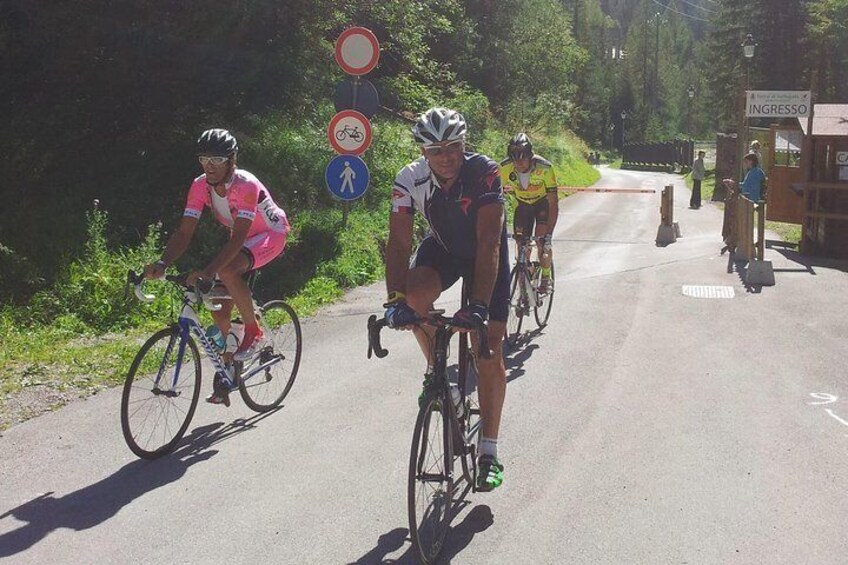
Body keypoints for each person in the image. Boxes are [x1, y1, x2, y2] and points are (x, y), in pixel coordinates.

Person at [384, 107, 509, 491]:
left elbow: (488, 241)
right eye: (436, 150)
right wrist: (394, 300)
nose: (446, 157)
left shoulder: (484, 171)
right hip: (442, 249)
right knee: (413, 301)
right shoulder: (408, 180)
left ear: (463, 144)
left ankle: (488, 451)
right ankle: (441, 378)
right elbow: (400, 242)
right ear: (423, 153)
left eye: (453, 147)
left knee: (487, 348)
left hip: (484, 258)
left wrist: (479, 307)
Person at [143, 128, 291, 405]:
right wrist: (163, 262)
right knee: (219, 309)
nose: (209, 166)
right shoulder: (199, 186)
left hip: (270, 234)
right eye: (203, 159)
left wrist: (209, 271)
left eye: (217, 160)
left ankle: (254, 332)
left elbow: (238, 237)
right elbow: (185, 232)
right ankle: (230, 364)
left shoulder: (247, 185)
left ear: (231, 160)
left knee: (226, 271)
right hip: (242, 241)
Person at [499, 133, 559, 294]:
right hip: (523, 207)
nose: (518, 164)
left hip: (542, 206)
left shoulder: (545, 168)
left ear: (531, 156)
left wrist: (549, 234)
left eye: (522, 159)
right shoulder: (504, 168)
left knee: (541, 243)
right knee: (522, 246)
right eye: (514, 160)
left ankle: (546, 277)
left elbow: (553, 202)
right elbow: (496, 198)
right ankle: (524, 281)